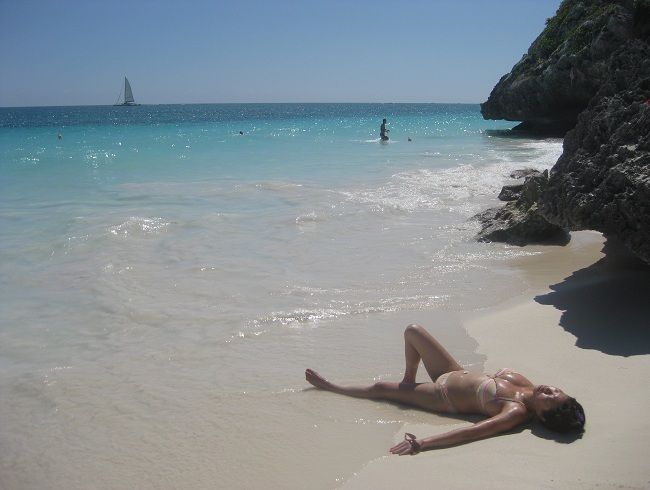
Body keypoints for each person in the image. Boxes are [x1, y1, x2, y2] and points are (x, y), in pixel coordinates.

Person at [305, 323, 585, 455]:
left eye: (551, 398)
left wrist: (422, 444)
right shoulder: (528, 386)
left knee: (379, 388)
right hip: (451, 371)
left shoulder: (515, 411)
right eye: (556, 390)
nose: (549, 390)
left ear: (543, 416)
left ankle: (332, 387)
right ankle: (408, 381)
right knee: (412, 331)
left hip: (443, 396)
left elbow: (471, 432)